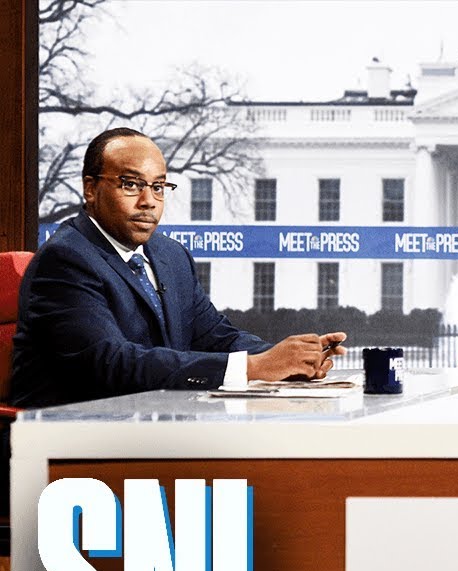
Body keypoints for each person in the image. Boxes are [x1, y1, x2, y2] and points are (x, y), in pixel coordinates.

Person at [12, 127, 347, 408]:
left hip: (153, 426)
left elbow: (214, 336)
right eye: (131, 184)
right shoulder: (65, 259)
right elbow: (112, 363)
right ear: (90, 189)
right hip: (71, 437)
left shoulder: (170, 255)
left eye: (158, 187)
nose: (148, 201)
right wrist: (254, 367)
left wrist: (288, 358)